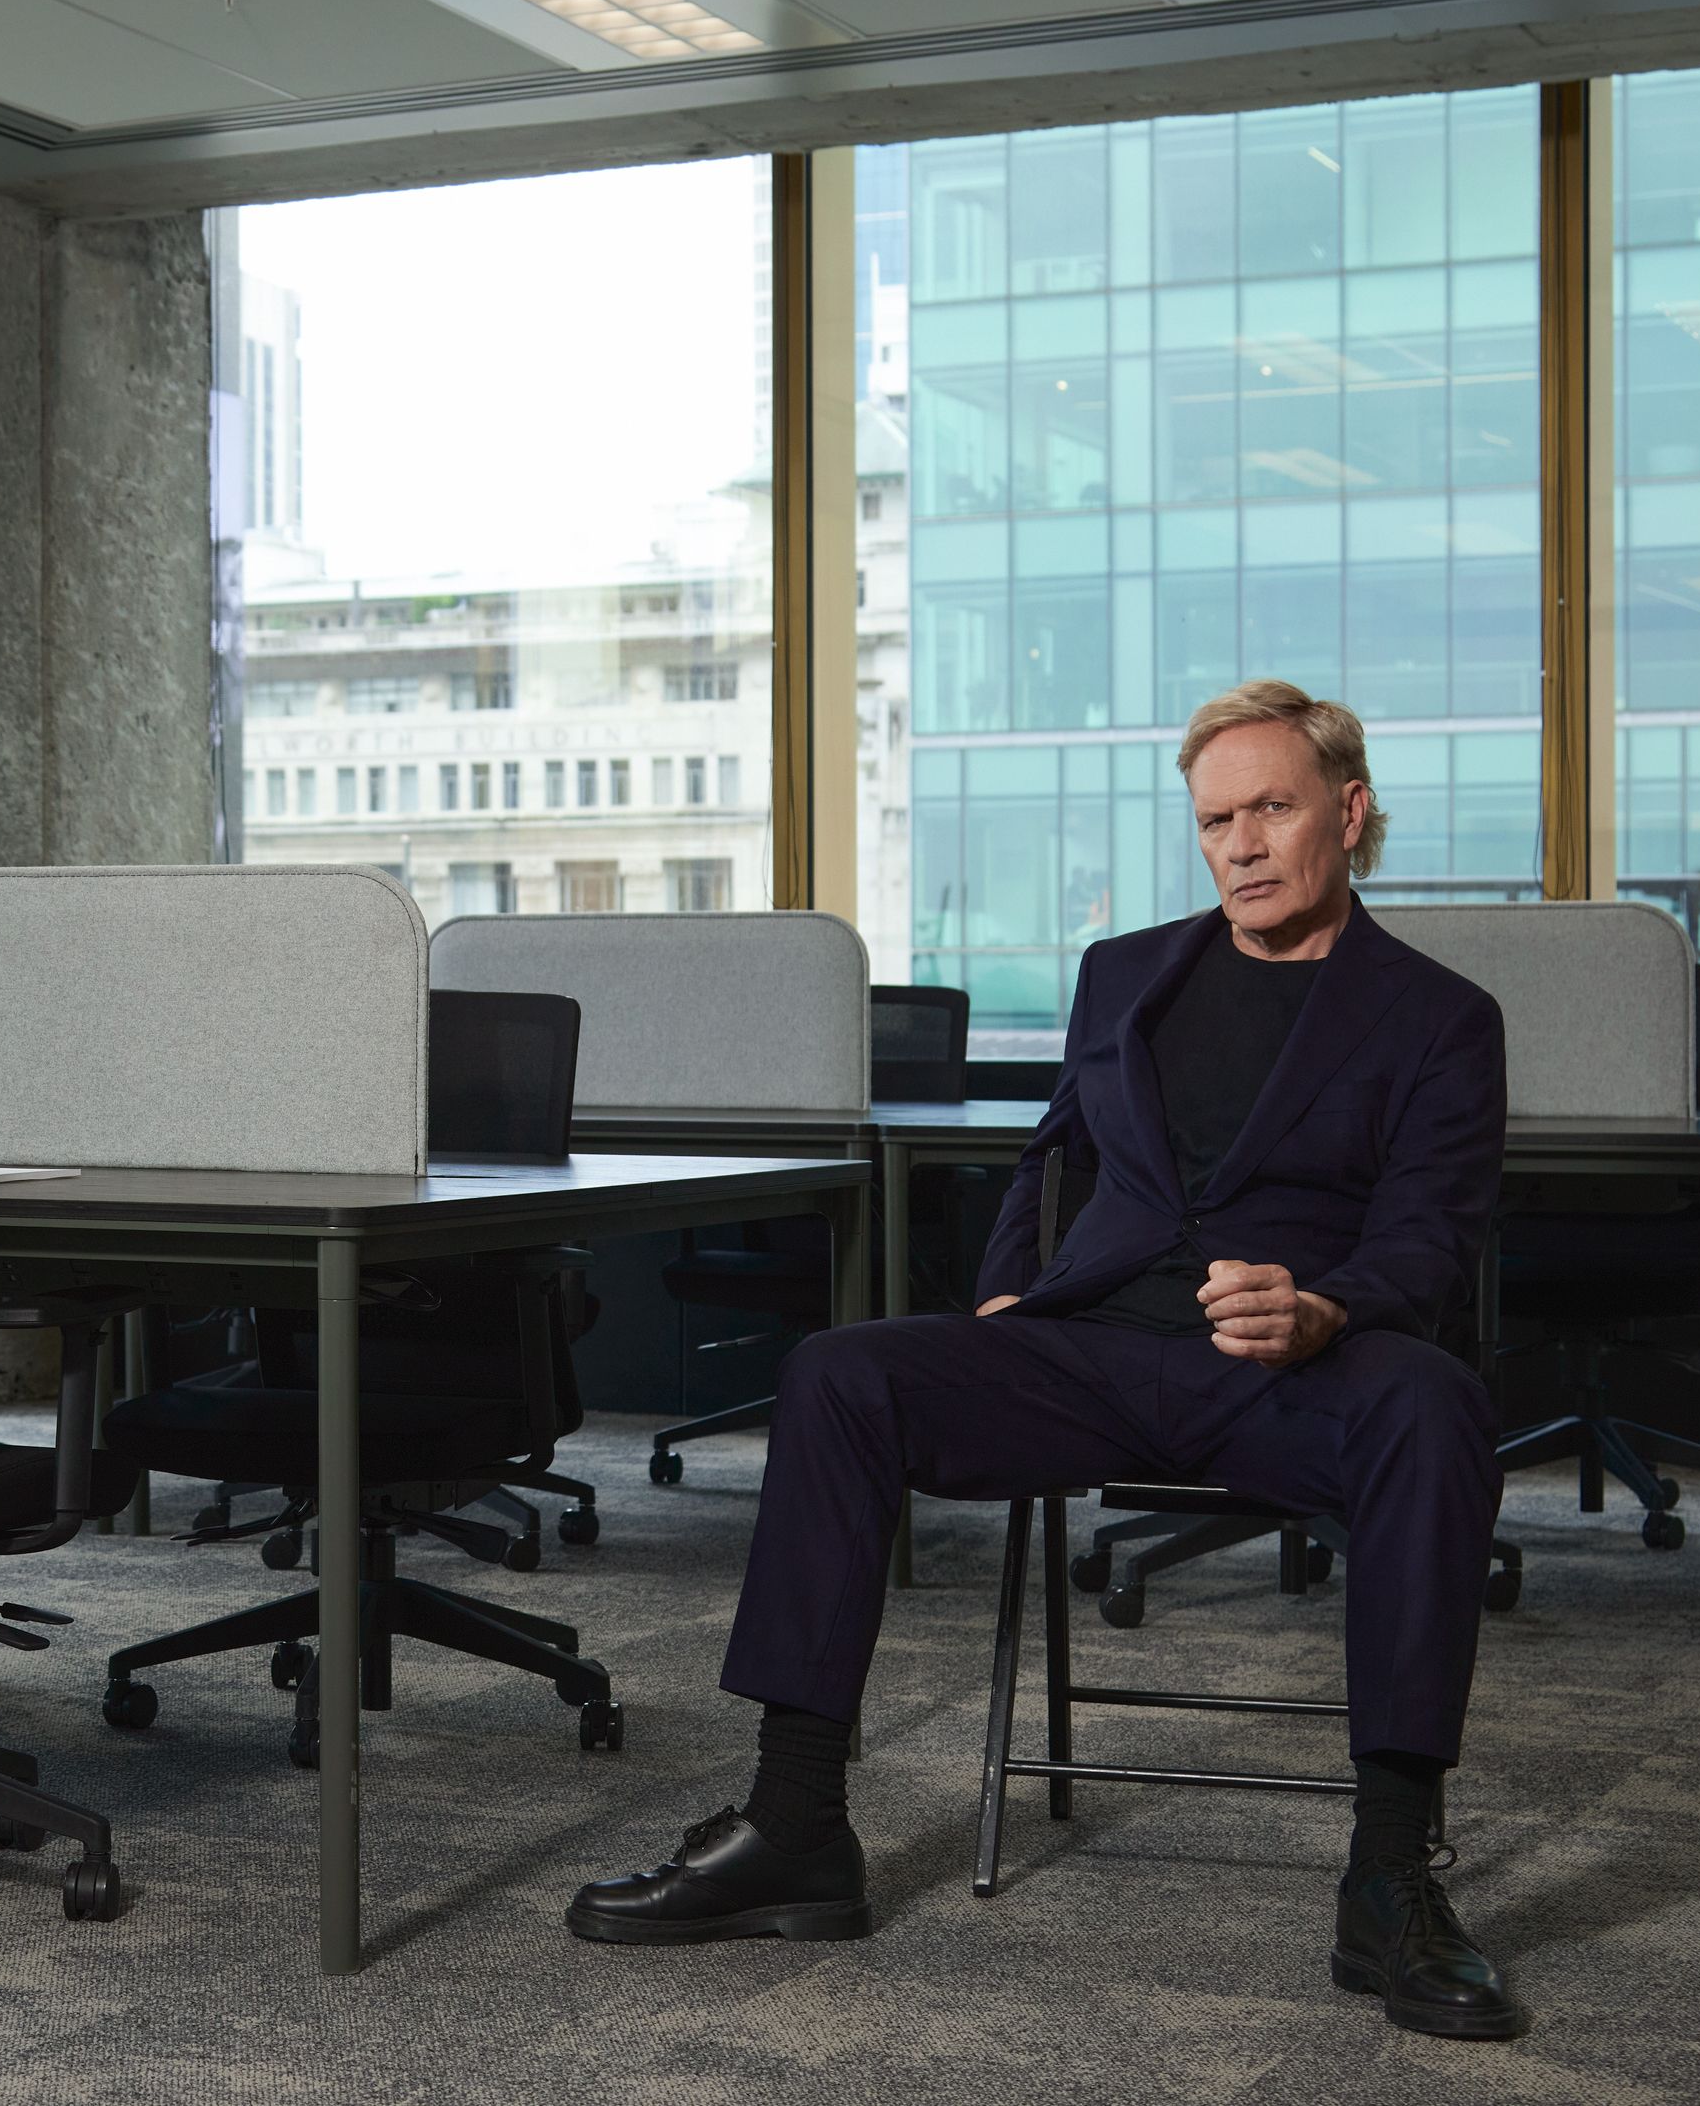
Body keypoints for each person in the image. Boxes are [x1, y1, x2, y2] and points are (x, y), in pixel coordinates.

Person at [569, 678, 1525, 2043]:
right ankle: (795, 1826)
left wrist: (1323, 1306)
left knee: (1436, 1407)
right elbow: (1054, 1152)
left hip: (1290, 1368)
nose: (1243, 845)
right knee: (841, 1372)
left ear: (1350, 811)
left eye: (1271, 808)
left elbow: (1432, 1239)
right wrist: (1007, 1285)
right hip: (1090, 1346)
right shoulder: (1126, 973)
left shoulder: (1440, 1015)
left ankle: (1390, 1877)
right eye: (1216, 821)